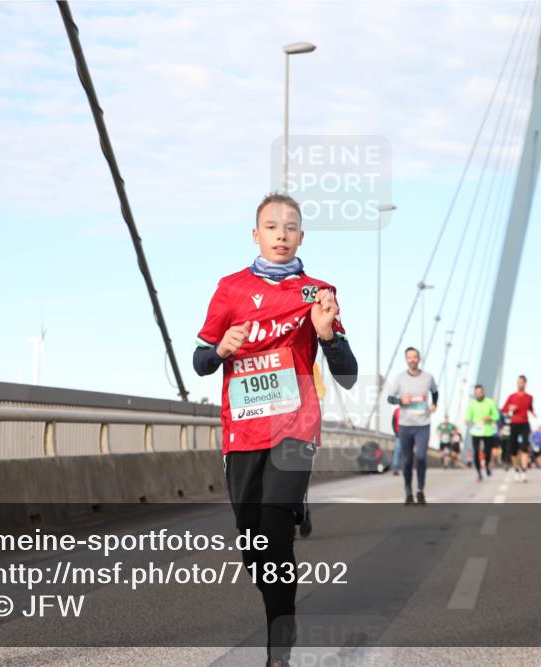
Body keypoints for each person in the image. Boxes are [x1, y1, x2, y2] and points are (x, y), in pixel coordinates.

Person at [193, 192, 358, 665]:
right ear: (256, 235)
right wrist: (222, 348)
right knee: (252, 541)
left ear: (301, 236)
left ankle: (278, 647)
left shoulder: (319, 292)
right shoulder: (230, 289)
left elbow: (346, 374)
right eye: (271, 226)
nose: (281, 234)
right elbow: (201, 363)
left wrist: (326, 335)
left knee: (274, 530)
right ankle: (280, 603)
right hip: (242, 432)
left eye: (290, 227)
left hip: (295, 427)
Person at [387, 347, 438, 505]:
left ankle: (420, 491)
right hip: (405, 425)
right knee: (408, 460)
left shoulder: (428, 377)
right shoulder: (400, 378)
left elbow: (435, 392)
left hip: (423, 424)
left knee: (421, 458)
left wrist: (434, 404)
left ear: (419, 358)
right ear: (406, 359)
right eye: (409, 357)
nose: (412, 360)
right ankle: (408, 492)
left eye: (414, 357)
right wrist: (401, 401)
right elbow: (390, 398)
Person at [501, 375, 536, 482]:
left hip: (525, 424)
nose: (519, 384)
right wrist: (510, 409)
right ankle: (516, 470)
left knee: (525, 447)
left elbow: (530, 407)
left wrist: (533, 413)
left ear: (525, 383)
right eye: (518, 382)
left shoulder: (529, 397)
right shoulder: (511, 397)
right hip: (514, 423)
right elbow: (504, 410)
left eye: (521, 382)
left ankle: (524, 471)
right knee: (513, 450)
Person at [466, 384, 500, 481]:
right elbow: (468, 414)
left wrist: (490, 417)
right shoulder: (472, 403)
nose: (478, 394)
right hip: (476, 430)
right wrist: (467, 419)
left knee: (487, 451)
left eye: (480, 392)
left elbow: (496, 416)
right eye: (476, 393)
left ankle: (487, 465)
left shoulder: (490, 402)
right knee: (476, 451)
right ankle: (479, 473)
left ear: (483, 392)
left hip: (487, 430)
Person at [390, 407, 401, 475]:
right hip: (405, 433)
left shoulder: (396, 410)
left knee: (397, 451)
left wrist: (395, 431)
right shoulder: (410, 411)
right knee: (407, 451)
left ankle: (395, 468)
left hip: (398, 433)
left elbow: (393, 422)